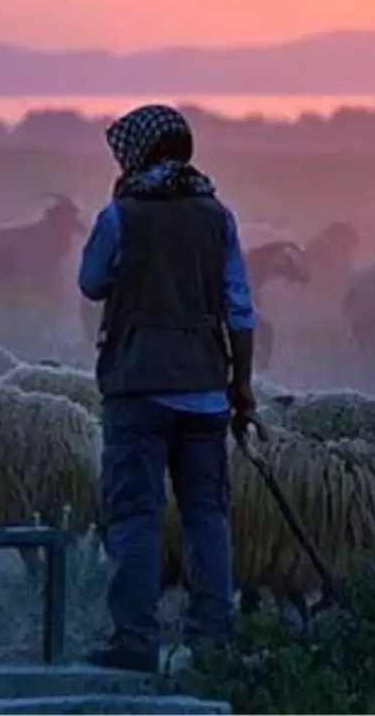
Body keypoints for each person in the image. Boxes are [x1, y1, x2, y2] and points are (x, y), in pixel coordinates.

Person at [78, 103, 258, 673]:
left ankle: (135, 639)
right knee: (207, 515)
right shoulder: (217, 215)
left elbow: (89, 283)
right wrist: (242, 387)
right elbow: (241, 310)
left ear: (136, 154)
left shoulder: (121, 214)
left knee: (134, 514)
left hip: (136, 386)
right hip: (206, 388)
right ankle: (213, 638)